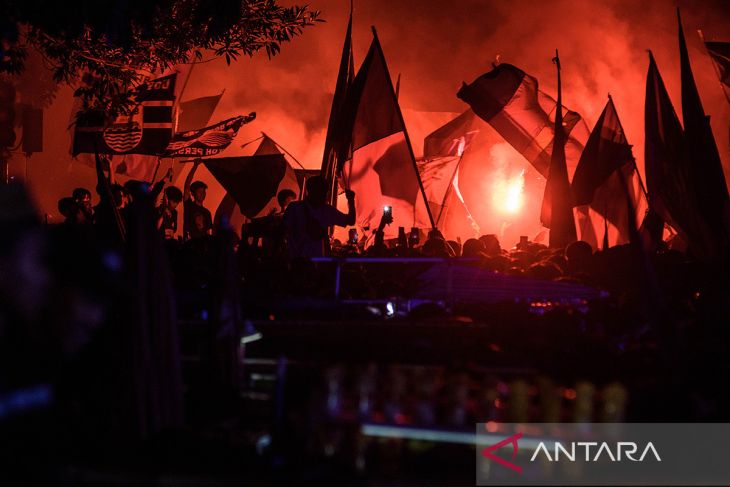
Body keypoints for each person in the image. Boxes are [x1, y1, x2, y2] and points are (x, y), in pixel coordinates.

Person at [283, 176, 355, 258]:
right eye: (323, 192)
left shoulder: (294, 207)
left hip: (295, 260)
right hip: (315, 261)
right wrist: (351, 200)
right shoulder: (327, 210)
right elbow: (350, 220)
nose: (325, 195)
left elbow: (283, 231)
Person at [183, 159, 213, 240]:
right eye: (199, 192)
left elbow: (209, 232)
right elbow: (186, 186)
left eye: (203, 191)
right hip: (190, 244)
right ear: (193, 193)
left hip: (203, 247)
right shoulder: (189, 205)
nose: (202, 194)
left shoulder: (207, 213)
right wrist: (195, 166)